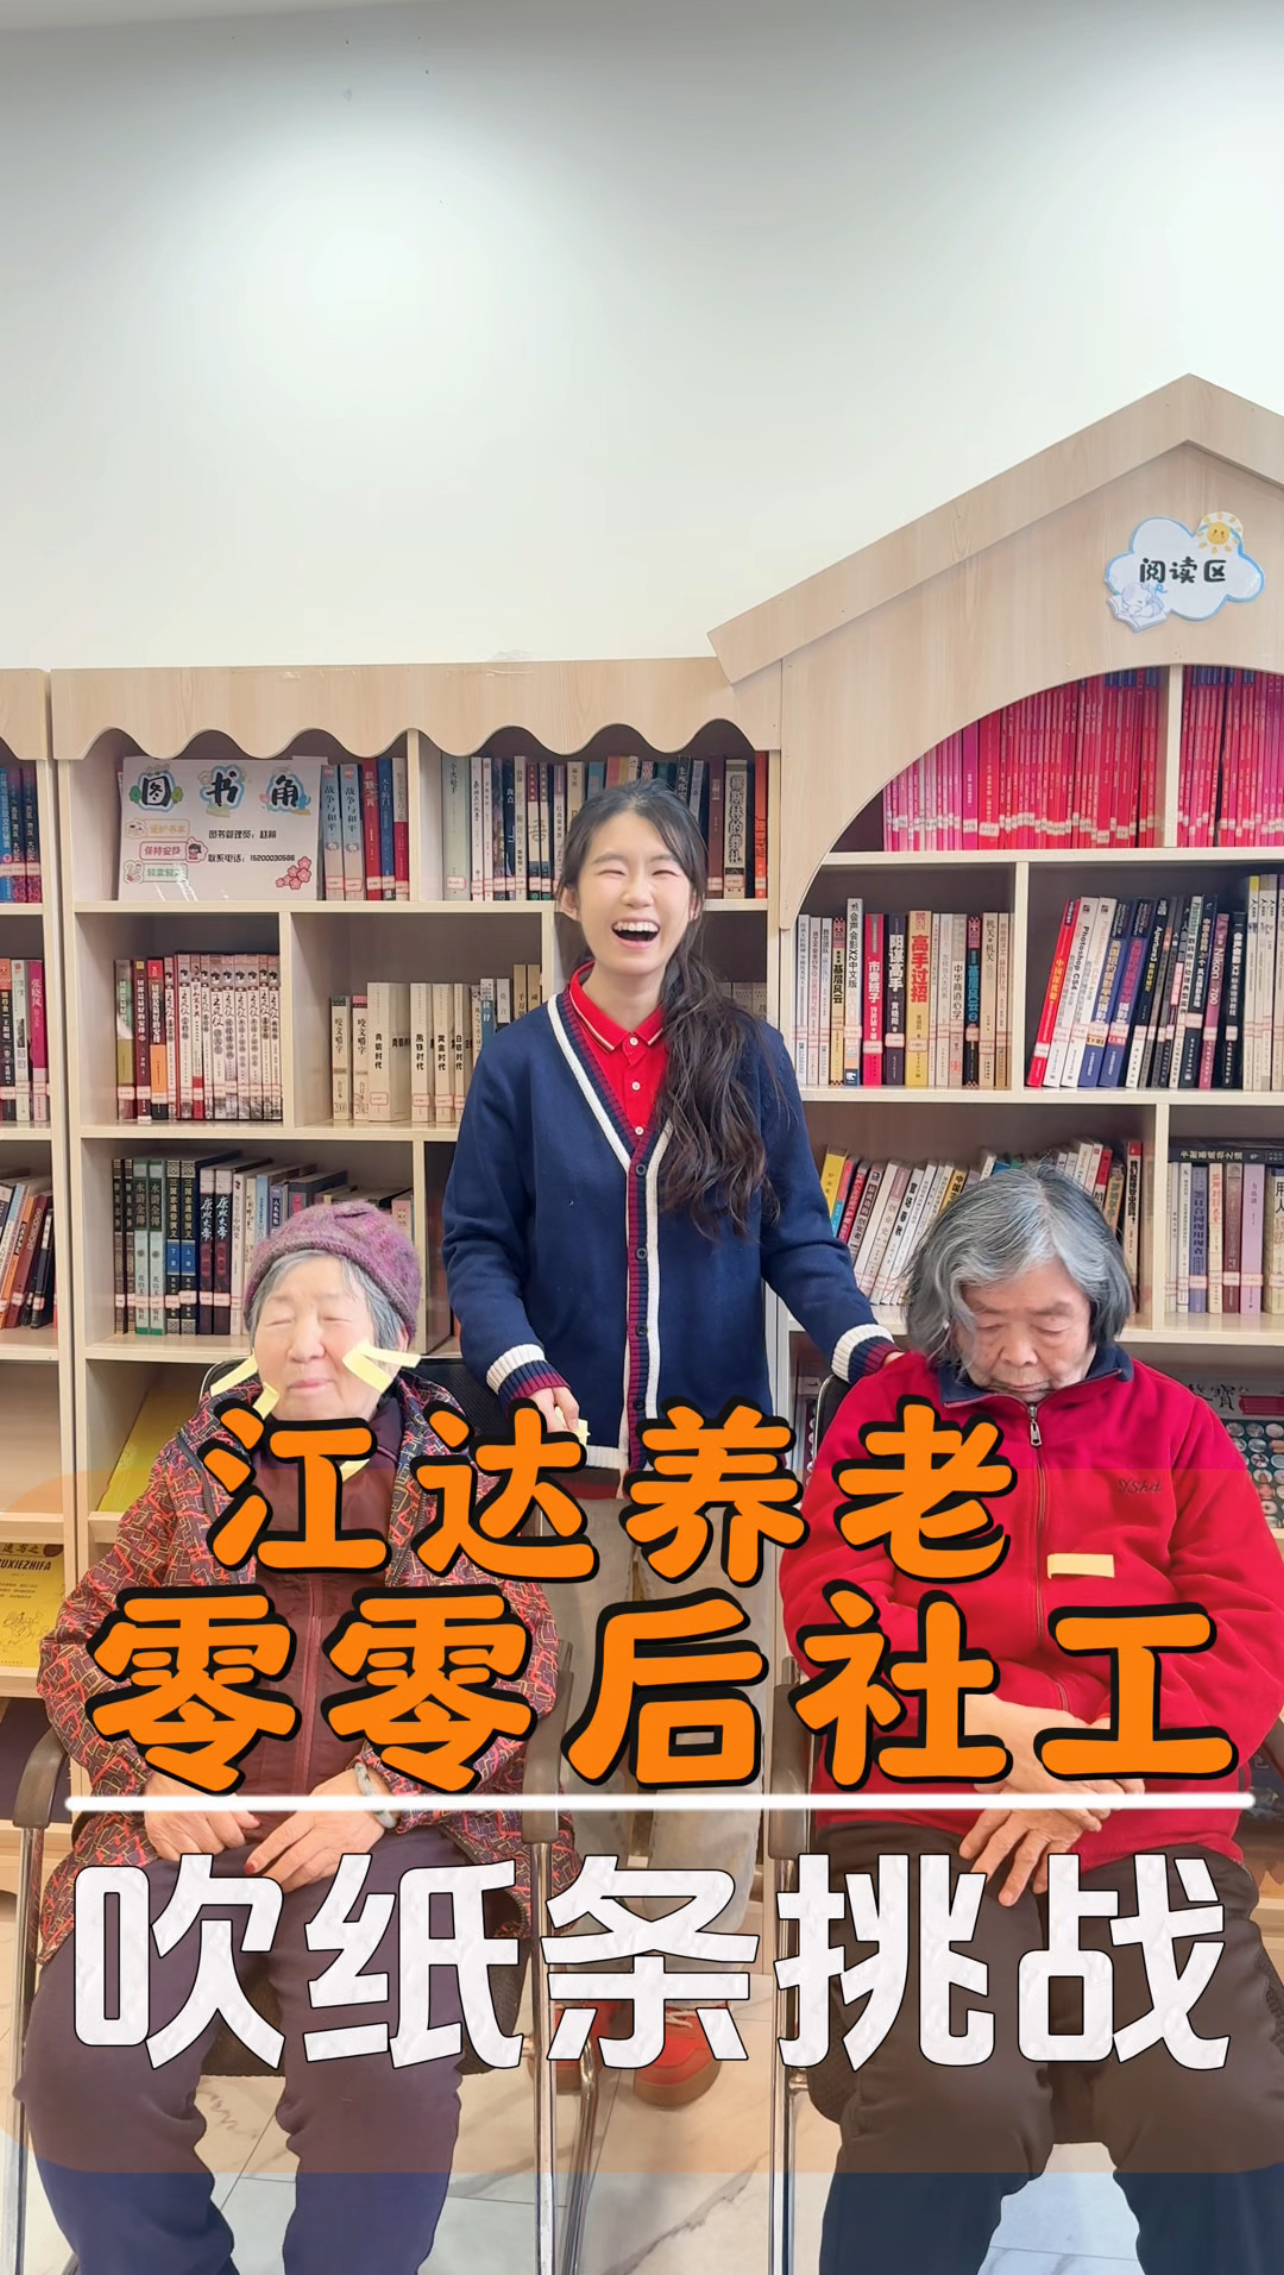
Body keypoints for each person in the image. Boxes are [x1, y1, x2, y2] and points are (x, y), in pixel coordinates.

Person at [442, 777, 898, 2105]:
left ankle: (683, 1985)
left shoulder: (746, 1054)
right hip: (565, 1471)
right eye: (612, 868)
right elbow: (477, 1246)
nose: (637, 892)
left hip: (720, 1472)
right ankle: (595, 1970)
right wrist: (524, 1368)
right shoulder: (520, 1061)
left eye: (662, 870)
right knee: (573, 1726)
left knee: (712, 1723)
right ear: (568, 894)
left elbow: (799, 1235)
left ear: (695, 899)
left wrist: (863, 1344)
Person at [19, 1199, 574, 2275]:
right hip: (187, 1822)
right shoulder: (196, 1465)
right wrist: (146, 1773)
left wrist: (383, 1789)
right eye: (276, 1315)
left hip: (393, 1833)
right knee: (85, 2065)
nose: (303, 1341)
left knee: (383, 2078)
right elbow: (79, 1640)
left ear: (393, 1337)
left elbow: (521, 1659)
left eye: (334, 1313)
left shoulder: (459, 1470)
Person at [781, 1167, 1284, 2275]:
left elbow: (1246, 1634)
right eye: (985, 1320)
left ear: (1099, 1304)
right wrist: (985, 1727)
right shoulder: (884, 1415)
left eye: (1049, 1322)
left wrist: (1083, 1765)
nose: (1016, 1354)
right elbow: (831, 1606)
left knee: (1216, 2105)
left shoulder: (1177, 1427)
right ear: (944, 1308)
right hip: (926, 1813)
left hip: (1142, 1817)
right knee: (948, 2098)